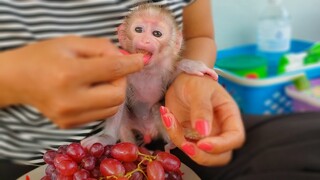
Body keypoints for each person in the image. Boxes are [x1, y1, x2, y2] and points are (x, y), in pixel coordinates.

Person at [0, 0, 245, 179]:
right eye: (139, 30)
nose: (146, 40)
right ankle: (111, 136)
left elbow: (199, 35)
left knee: (278, 140)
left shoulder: (171, 52)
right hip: (28, 153)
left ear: (174, 41)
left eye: (157, 33)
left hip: (161, 137)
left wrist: (192, 79)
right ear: (123, 34)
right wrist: (15, 82)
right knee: (120, 106)